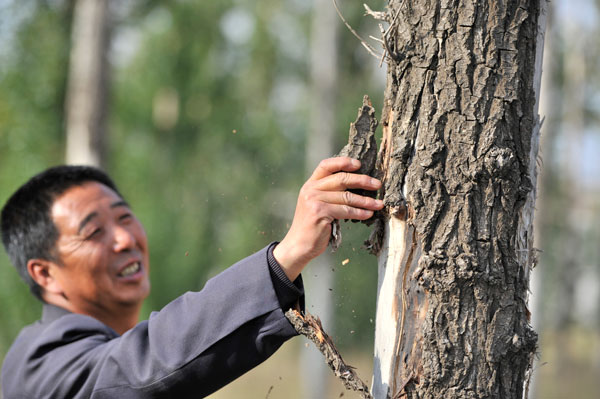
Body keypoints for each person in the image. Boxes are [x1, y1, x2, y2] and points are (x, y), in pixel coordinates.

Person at [0, 157, 383, 398]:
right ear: (45, 274)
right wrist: (287, 255)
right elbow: (136, 368)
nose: (124, 239)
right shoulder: (40, 368)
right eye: (93, 232)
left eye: (124, 217)